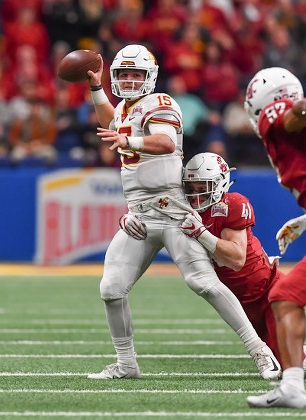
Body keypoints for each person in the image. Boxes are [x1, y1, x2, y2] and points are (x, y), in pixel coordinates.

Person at [86, 44, 280, 380]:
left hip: (173, 209)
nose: (129, 81)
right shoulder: (125, 108)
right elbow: (113, 124)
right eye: (124, 75)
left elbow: (164, 143)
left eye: (136, 74)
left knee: (202, 282)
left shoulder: (161, 103)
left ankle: (261, 352)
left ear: (150, 77)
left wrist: (129, 143)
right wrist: (95, 88)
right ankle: (127, 363)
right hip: (140, 214)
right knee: (111, 289)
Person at [179, 152, 285, 364]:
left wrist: (201, 233)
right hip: (241, 304)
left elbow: (236, 259)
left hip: (268, 291)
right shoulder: (181, 208)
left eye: (202, 188)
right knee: (283, 357)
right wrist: (132, 219)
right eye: (190, 189)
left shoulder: (233, 204)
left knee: (292, 361)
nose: (195, 196)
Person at [242, 67, 306, 408]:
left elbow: (293, 118)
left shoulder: (276, 113)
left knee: (284, 295)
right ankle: (293, 387)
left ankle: (294, 386)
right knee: (284, 296)